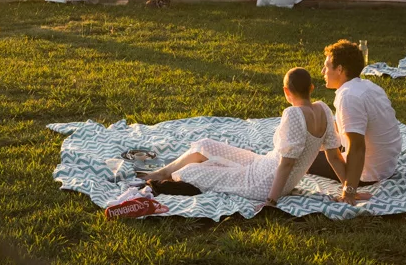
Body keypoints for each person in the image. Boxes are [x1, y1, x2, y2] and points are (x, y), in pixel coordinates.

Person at [141, 68, 339, 208]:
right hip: (263, 164)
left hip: (262, 182)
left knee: (190, 171)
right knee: (204, 145)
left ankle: (165, 175)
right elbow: (335, 156)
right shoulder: (323, 109)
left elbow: (287, 164)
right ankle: (162, 172)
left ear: (286, 91)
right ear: (311, 88)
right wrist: (350, 189)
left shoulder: (293, 114)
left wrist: (271, 201)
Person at [308, 39, 401, 202]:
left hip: (368, 173)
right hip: (387, 166)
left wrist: (349, 190)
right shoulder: (368, 86)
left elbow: (357, 147)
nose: (323, 71)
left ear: (339, 69)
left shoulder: (349, 96)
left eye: (327, 66)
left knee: (301, 154)